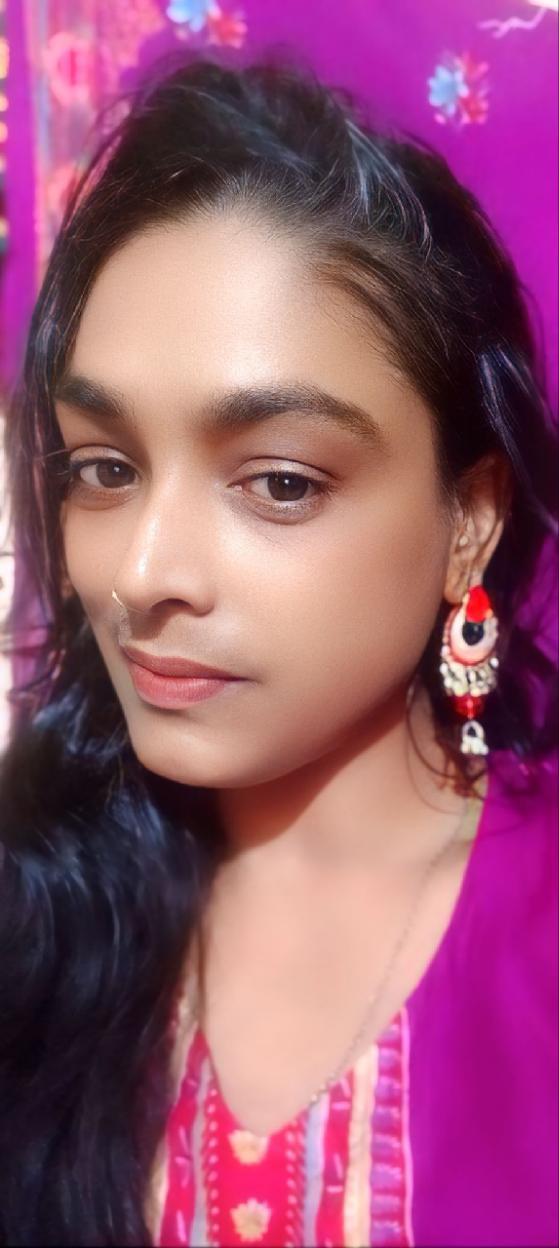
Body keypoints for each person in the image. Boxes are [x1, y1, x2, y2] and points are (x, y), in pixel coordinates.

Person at [0, 52, 557, 1248]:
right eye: (104, 467)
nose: (142, 573)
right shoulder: (39, 892)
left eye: (281, 482)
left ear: (467, 519)